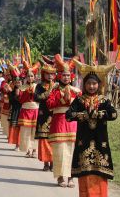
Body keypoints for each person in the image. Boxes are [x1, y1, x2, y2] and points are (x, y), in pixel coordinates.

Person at [66, 60, 116, 197]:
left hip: (100, 142)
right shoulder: (79, 100)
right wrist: (83, 115)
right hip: (84, 141)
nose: (91, 86)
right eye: (88, 83)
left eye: (94, 83)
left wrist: (99, 114)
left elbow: (113, 114)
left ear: (99, 84)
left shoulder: (104, 100)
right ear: (84, 84)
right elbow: (68, 115)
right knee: (85, 173)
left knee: (100, 173)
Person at [46, 54, 81, 188]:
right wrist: (61, 99)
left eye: (68, 75)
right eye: (63, 75)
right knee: (60, 152)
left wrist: (70, 100)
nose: (66, 77)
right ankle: (61, 177)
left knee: (72, 151)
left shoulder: (76, 91)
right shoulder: (54, 89)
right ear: (59, 76)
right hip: (58, 123)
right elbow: (49, 104)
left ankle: (71, 178)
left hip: (72, 124)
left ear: (71, 76)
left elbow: (80, 106)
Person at [34, 58, 56, 171]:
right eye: (48, 74)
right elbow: (37, 98)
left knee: (53, 140)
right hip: (43, 115)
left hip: (54, 116)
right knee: (44, 140)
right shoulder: (39, 86)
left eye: (52, 74)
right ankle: (46, 162)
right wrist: (49, 91)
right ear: (44, 74)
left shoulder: (58, 86)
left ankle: (53, 162)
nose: (50, 76)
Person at [17, 61, 40, 158]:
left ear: (34, 77)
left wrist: (33, 93)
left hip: (35, 110)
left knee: (35, 131)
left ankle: (35, 150)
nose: (30, 78)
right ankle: (28, 149)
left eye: (32, 76)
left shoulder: (38, 87)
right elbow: (20, 100)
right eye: (28, 76)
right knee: (26, 132)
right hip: (26, 110)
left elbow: (40, 98)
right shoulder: (22, 87)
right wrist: (25, 92)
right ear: (26, 77)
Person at [7, 75, 22, 150]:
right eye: (16, 82)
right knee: (16, 128)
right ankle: (17, 144)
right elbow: (11, 102)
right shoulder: (11, 92)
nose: (18, 83)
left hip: (24, 110)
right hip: (16, 110)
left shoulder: (25, 90)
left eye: (19, 81)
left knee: (24, 129)